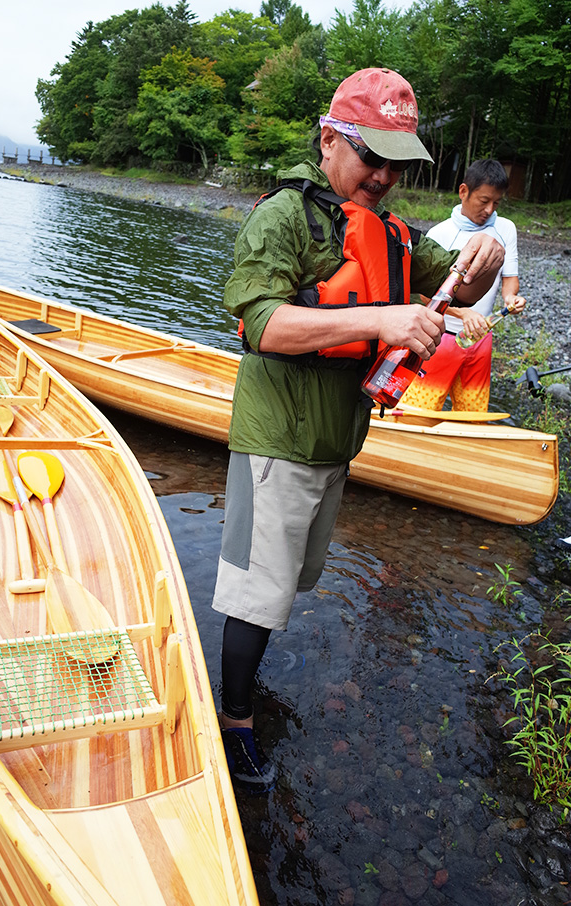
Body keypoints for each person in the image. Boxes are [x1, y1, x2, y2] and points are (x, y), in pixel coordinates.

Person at [212, 68, 505, 794]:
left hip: (334, 443)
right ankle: (234, 722)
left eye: (395, 162)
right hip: (277, 439)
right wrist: (379, 319)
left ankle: (245, 692)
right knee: (256, 593)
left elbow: (456, 285)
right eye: (370, 156)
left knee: (285, 587)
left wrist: (481, 264)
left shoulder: (396, 233)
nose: (382, 175)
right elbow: (261, 322)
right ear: (328, 140)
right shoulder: (282, 217)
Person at [400, 158, 526, 411]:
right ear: (463, 191)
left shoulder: (506, 229)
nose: (490, 209)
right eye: (484, 201)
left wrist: (511, 298)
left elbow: (509, 277)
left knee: (473, 413)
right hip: (439, 339)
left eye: (496, 203)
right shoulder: (439, 235)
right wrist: (464, 312)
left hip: (480, 338)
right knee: (418, 412)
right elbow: (423, 296)